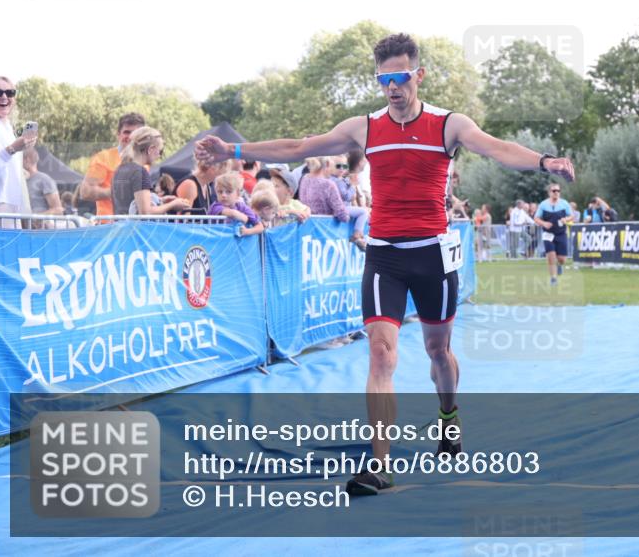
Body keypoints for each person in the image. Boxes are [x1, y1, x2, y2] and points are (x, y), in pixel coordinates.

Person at [195, 32, 574, 496]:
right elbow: (299, 146)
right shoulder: (365, 126)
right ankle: (380, 464)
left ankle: (448, 415)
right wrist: (234, 152)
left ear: (419, 75)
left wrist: (545, 161)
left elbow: (495, 147)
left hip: (433, 255)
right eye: (383, 79)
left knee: (439, 352)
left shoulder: (448, 124)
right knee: (381, 353)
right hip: (385, 256)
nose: (392, 87)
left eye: (400, 77)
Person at [111, 127, 190, 216]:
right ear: (151, 149)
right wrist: (172, 205)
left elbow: (129, 203)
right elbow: (145, 212)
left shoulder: (120, 170)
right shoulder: (140, 172)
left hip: (120, 227)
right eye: (160, 151)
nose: (159, 156)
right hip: (137, 229)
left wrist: (160, 200)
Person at [81, 112, 146, 218]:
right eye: (126, 132)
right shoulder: (103, 158)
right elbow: (85, 192)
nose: (130, 137)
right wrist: (117, 192)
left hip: (137, 226)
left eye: (135, 133)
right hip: (109, 226)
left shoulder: (145, 161)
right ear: (118, 134)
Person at [0, 76, 34, 228]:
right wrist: (13, 148)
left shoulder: (7, 127)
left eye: (10, 92)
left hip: (12, 204)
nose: (4, 96)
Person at [534, 184, 573, 285]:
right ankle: (553, 278)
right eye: (554, 190)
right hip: (548, 234)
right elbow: (536, 218)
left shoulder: (564, 203)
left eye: (558, 191)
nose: (556, 192)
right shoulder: (543, 205)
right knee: (551, 256)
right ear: (549, 192)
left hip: (561, 234)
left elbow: (571, 216)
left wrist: (566, 219)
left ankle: (559, 265)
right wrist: (544, 223)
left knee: (562, 259)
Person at [23, 148, 62, 224]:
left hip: (41, 232)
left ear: (27, 160)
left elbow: (58, 210)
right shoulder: (20, 181)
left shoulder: (44, 180)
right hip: (23, 231)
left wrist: (35, 218)